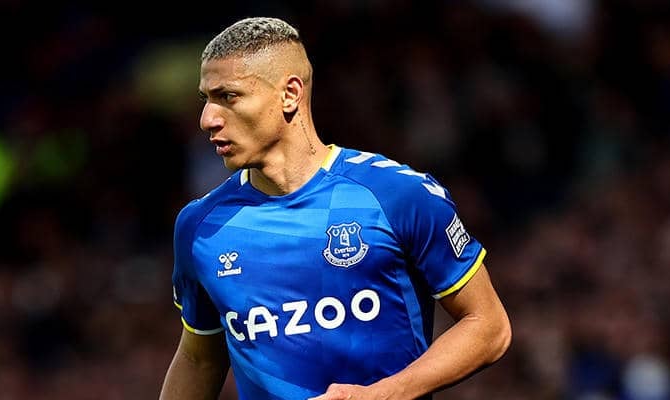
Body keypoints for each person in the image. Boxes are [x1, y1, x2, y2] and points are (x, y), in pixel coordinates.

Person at [160, 16, 511, 400]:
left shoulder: (396, 195)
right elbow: (199, 358)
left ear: (289, 94)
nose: (207, 119)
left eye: (228, 97)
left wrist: (383, 394)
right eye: (206, 99)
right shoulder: (201, 227)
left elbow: (488, 326)